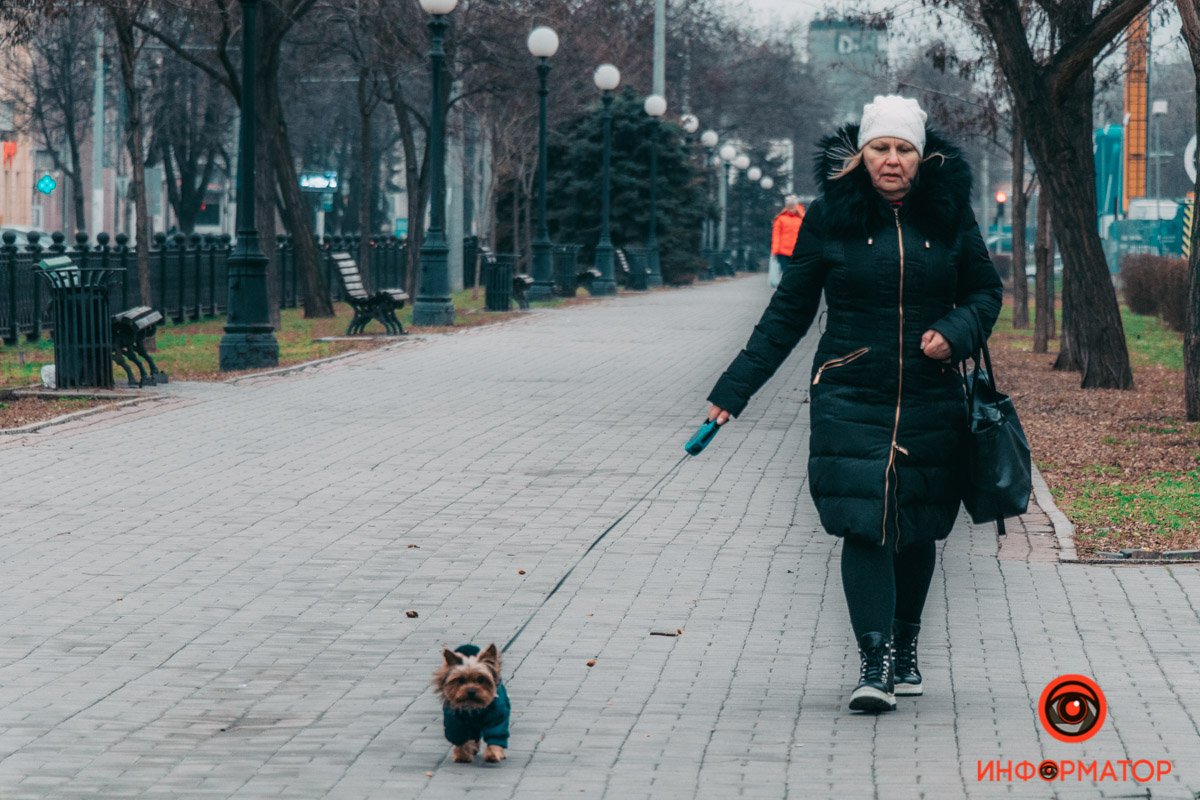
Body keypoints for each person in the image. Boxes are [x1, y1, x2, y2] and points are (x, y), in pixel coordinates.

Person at [705, 95, 1003, 713]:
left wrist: (956, 332)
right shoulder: (829, 218)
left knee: (917, 525)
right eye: (880, 149)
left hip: (930, 393)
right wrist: (733, 391)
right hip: (849, 390)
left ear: (922, 157)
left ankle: (905, 644)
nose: (891, 161)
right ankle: (875, 663)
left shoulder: (950, 215)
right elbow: (788, 313)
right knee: (865, 523)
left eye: (903, 149)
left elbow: (984, 291)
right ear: (861, 154)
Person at [769, 196, 806, 288]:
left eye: (792, 207)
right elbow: (776, 236)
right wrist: (774, 251)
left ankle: (791, 289)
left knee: (794, 273)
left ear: (796, 206)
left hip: (797, 252)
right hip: (783, 252)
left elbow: (805, 236)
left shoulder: (801, 219)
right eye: (789, 207)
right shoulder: (780, 219)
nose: (791, 209)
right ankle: (788, 289)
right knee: (786, 272)